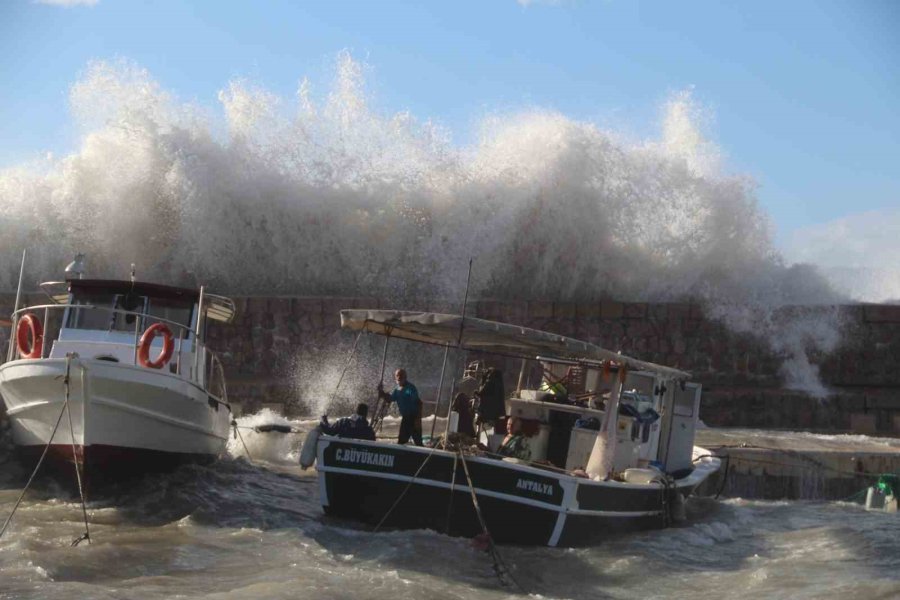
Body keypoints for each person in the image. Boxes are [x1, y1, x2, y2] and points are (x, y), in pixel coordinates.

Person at [377, 368, 423, 446]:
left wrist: (418, 420)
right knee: (401, 441)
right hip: (405, 419)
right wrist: (382, 393)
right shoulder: (397, 390)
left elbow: (419, 403)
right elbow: (390, 399)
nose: (399, 378)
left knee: (418, 442)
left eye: (401, 376)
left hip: (414, 418)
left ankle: (424, 456)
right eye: (397, 376)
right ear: (395, 378)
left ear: (405, 377)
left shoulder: (410, 388)